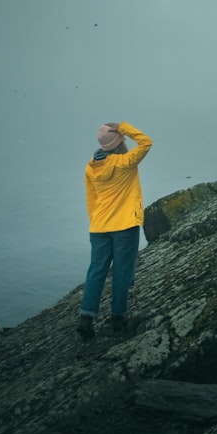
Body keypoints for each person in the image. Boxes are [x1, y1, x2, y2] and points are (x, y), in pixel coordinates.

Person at [77, 121, 152, 337]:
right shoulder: (125, 162)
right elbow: (146, 143)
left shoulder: (90, 167)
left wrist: (96, 223)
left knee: (96, 270)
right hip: (125, 225)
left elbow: (91, 200)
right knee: (122, 272)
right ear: (119, 142)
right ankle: (118, 318)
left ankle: (86, 317)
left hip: (99, 226)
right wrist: (123, 127)